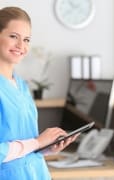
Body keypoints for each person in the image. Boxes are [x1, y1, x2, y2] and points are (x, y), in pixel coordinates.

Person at [0, 6, 78, 180]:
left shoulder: (21, 85)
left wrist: (46, 148)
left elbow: (24, 142)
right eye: (14, 37)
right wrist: (38, 142)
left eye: (27, 39)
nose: (21, 46)